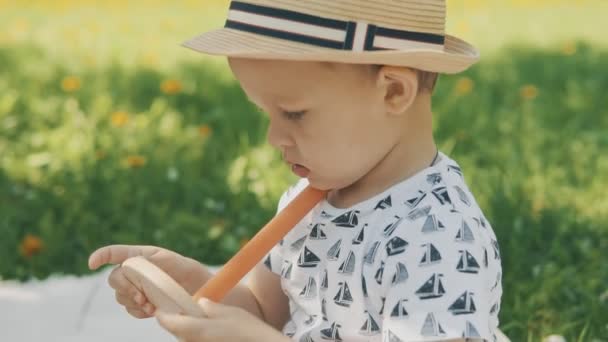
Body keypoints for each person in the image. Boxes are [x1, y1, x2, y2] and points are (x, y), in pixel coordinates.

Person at [88, 0, 504, 341]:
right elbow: (267, 311)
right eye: (265, 112)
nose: (273, 137)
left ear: (394, 91)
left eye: (294, 114)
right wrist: (196, 285)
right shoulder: (309, 201)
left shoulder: (439, 236)